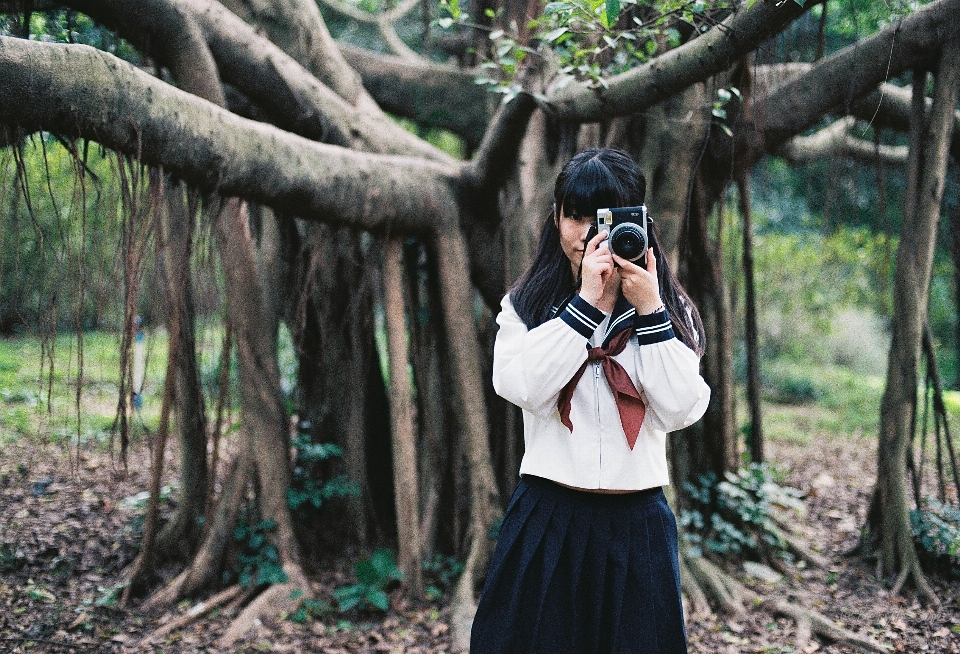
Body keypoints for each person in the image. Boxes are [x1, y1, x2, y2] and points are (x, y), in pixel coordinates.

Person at [470, 148, 711, 654]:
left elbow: (683, 408)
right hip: (549, 516)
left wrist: (650, 310)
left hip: (637, 522)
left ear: (639, 220)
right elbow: (522, 389)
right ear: (555, 217)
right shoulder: (527, 305)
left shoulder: (670, 309)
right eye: (575, 216)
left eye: (603, 217)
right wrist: (584, 308)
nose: (586, 233)